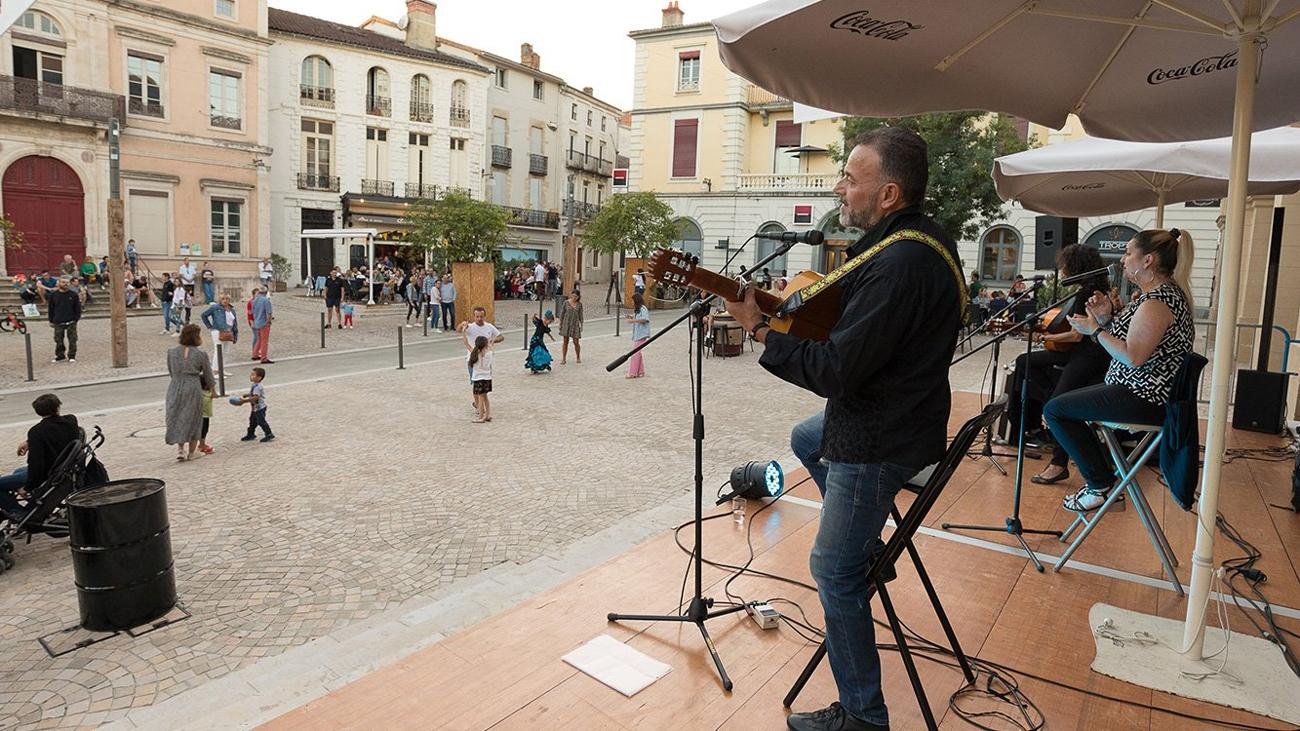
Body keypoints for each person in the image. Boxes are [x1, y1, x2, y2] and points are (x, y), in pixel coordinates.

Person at [724, 127, 964, 731]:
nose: (839, 189)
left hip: (878, 436)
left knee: (832, 570)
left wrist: (760, 331)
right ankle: (863, 539)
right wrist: (786, 309)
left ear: (887, 192)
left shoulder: (900, 262)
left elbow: (837, 369)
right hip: (903, 418)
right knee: (808, 439)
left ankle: (863, 716)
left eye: (850, 179)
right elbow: (852, 324)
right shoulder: (916, 240)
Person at [1045, 228, 1196, 512]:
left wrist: (1094, 330)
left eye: (1128, 253)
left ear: (1148, 260)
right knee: (1062, 406)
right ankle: (1102, 482)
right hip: (1133, 391)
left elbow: (1133, 357)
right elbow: (1131, 341)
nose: (1123, 259)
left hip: (1145, 398)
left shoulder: (1158, 302)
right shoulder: (1153, 296)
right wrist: (1105, 317)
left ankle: (1101, 485)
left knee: (1055, 410)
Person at [998, 245, 1113, 485]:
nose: (1062, 269)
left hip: (1089, 356)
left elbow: (1076, 336)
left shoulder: (1088, 292)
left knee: (1059, 406)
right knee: (1025, 362)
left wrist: (1047, 338)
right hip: (1079, 352)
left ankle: (1058, 463)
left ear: (1076, 266)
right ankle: (1039, 412)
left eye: (1065, 265)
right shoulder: (1091, 288)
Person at [0, 394, 81, 520]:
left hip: (48, 475)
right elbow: (55, 433)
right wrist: (29, 442)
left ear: (38, 412)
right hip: (63, 470)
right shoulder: (71, 421)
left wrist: (27, 487)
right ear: (58, 407)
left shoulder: (37, 431)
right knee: (18, 472)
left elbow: (36, 465)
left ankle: (19, 513)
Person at [165, 324, 216, 461]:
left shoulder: (171, 352)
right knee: (194, 418)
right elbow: (209, 376)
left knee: (177, 416)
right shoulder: (201, 354)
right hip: (193, 387)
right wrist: (213, 391)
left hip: (175, 386)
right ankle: (192, 452)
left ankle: (180, 449)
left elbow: (171, 371)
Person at [201, 293, 238, 376]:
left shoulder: (232, 309)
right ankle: (214, 371)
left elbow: (234, 323)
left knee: (226, 351)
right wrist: (209, 327)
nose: (225, 300)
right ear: (220, 300)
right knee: (218, 350)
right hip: (218, 330)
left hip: (229, 331)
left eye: (227, 299)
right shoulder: (215, 307)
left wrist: (235, 334)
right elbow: (204, 315)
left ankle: (222, 369)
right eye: (223, 299)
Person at [460, 330, 494, 423]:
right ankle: (487, 415)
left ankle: (481, 416)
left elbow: (466, 343)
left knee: (480, 397)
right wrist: (491, 341)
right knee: (485, 397)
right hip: (487, 378)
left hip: (478, 378)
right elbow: (491, 345)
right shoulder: (489, 353)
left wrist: (464, 332)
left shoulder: (474, 354)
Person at [463, 306, 505, 379]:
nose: (479, 318)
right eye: (477, 316)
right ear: (474, 317)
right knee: (484, 388)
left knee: (475, 385)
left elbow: (466, 343)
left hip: (476, 369)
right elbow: (458, 329)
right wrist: (462, 325)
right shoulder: (488, 352)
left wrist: (494, 340)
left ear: (484, 316)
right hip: (479, 368)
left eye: (481, 316)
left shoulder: (489, 326)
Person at [47, 277, 82, 364]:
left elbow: (77, 308)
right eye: (63, 282)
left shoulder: (73, 295)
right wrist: (51, 320)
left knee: (73, 339)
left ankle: (72, 355)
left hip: (71, 321)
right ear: (59, 283)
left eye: (67, 282)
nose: (65, 284)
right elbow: (51, 308)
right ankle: (60, 355)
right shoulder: (54, 295)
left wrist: (76, 318)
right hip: (58, 320)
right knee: (58, 340)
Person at [236, 367, 274, 442]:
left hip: (259, 408)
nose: (250, 376)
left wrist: (244, 401)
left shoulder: (258, 387)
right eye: (251, 374)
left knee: (261, 421)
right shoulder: (254, 385)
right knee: (252, 421)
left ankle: (269, 433)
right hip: (255, 408)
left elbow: (255, 398)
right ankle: (251, 434)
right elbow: (253, 394)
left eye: (253, 375)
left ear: (259, 378)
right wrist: (247, 395)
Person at [626, 292, 651, 379]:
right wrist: (632, 317)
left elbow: (644, 320)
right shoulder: (639, 309)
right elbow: (639, 318)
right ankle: (640, 371)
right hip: (638, 334)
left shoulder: (643, 309)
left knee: (635, 353)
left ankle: (633, 373)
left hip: (641, 334)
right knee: (638, 352)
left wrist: (633, 321)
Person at [559, 289, 584, 365]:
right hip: (566, 324)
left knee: (576, 342)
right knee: (565, 342)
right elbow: (562, 314)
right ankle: (563, 358)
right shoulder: (566, 303)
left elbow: (581, 316)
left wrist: (581, 325)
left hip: (575, 324)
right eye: (573, 296)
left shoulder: (579, 304)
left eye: (575, 296)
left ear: (578, 297)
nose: (574, 297)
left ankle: (578, 357)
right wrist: (560, 324)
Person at [251, 288, 273, 364]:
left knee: (259, 339)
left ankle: (255, 354)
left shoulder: (254, 301)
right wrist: (269, 321)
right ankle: (263, 358)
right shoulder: (266, 300)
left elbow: (252, 312)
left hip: (257, 322)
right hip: (264, 323)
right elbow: (269, 313)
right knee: (264, 341)